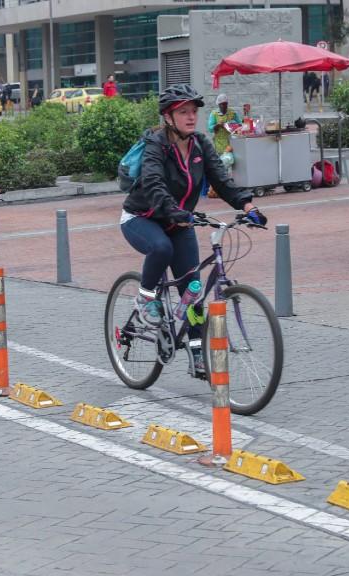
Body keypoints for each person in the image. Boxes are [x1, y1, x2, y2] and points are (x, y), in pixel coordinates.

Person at [120, 84, 266, 375]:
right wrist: (173, 210)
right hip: (142, 217)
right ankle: (145, 296)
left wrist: (248, 207)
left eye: (193, 111)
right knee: (161, 248)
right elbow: (153, 183)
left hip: (179, 221)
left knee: (193, 293)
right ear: (168, 117)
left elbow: (222, 181)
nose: (191, 117)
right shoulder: (156, 144)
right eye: (183, 112)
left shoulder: (200, 144)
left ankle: (197, 356)